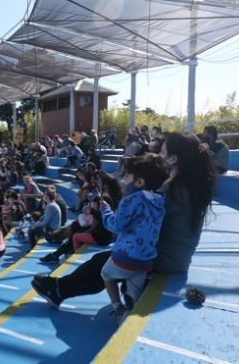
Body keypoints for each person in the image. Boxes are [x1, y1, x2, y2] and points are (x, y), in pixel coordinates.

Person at [32, 132, 216, 311]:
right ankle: (63, 288)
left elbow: (132, 218)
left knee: (103, 264)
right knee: (108, 260)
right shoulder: (190, 185)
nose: (159, 154)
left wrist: (121, 196)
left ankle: (58, 290)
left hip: (164, 260)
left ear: (174, 159)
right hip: (175, 258)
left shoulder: (174, 190)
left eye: (163, 152)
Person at [99, 154, 167, 323]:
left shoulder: (131, 200)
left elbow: (115, 225)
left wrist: (105, 211)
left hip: (125, 257)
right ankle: (135, 318)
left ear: (139, 182)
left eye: (126, 177)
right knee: (134, 292)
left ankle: (117, 308)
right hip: (146, 259)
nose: (122, 180)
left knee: (106, 274)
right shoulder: (159, 201)